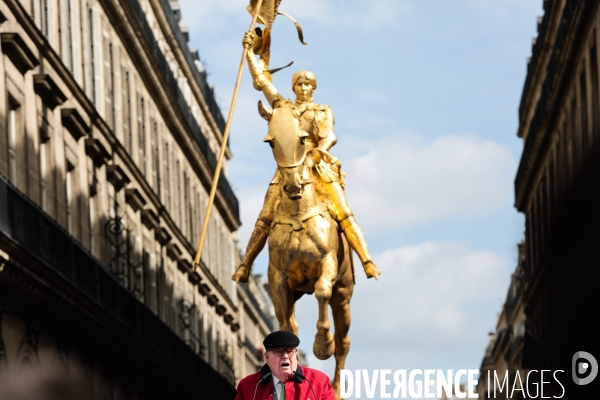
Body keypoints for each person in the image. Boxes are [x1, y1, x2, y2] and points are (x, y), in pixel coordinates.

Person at [232, 32, 380, 283]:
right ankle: (245, 264)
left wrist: (320, 151)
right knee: (266, 215)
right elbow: (261, 80)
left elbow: (329, 136)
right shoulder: (283, 107)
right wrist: (248, 51)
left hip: (316, 164)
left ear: (314, 87)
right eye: (299, 84)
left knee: (343, 211)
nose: (303, 88)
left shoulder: (322, 111)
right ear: (293, 87)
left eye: (307, 84)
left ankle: (366, 260)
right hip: (289, 166)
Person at [234, 331, 335, 400]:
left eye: (290, 351)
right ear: (267, 357)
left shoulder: (319, 382)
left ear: (297, 355)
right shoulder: (248, 386)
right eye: (279, 351)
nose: (285, 356)